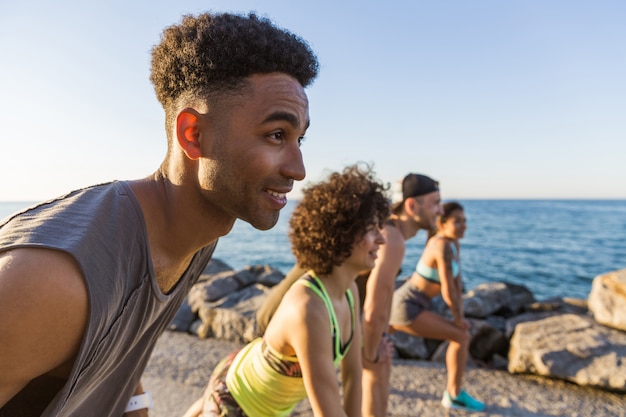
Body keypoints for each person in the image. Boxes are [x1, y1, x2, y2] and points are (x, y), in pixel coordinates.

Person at [0, 12, 318, 416]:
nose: (299, 169)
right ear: (193, 134)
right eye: (276, 135)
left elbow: (112, 339)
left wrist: (135, 404)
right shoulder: (53, 279)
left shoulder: (196, 234)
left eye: (299, 138)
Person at [183, 164, 390, 417]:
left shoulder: (349, 292)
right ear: (341, 232)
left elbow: (352, 376)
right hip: (236, 399)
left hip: (263, 392)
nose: (382, 239)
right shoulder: (308, 308)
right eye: (371, 228)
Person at [255, 173, 443, 417]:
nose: (441, 210)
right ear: (411, 205)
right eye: (435, 202)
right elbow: (377, 306)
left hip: (287, 315)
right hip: (293, 320)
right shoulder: (392, 239)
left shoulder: (377, 238)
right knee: (374, 372)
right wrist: (373, 355)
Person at [388, 202, 485, 412]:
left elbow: (457, 286)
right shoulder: (441, 245)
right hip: (406, 305)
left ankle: (454, 393)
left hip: (411, 304)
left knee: (368, 346)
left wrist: (461, 316)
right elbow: (448, 290)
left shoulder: (452, 244)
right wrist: (459, 321)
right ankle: (454, 395)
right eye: (457, 221)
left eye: (464, 220)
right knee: (461, 335)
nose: (463, 225)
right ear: (441, 224)